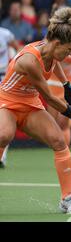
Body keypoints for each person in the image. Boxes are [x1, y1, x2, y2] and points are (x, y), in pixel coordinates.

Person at [0, 7, 71, 213]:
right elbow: (49, 97)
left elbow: (53, 61)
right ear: (57, 43)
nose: (70, 55)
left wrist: (67, 84)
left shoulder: (49, 49)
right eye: (68, 50)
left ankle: (67, 199)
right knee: (4, 136)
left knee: (59, 141)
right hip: (6, 101)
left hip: (29, 104)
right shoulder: (30, 60)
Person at [0, 27, 20, 168]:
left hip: (3, 78)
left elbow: (18, 49)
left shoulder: (5, 33)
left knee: (3, 118)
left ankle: (2, 157)